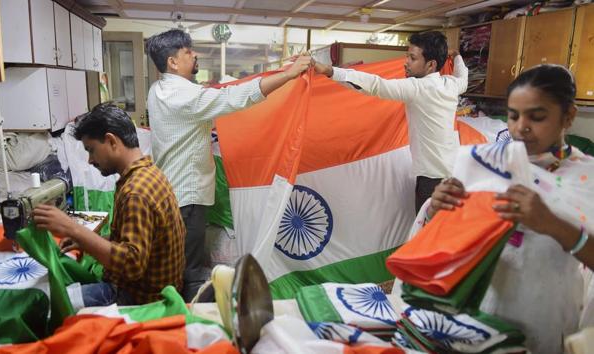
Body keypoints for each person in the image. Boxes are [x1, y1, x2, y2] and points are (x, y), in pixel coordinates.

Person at [426, 65, 594, 353]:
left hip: (545, 315)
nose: (520, 127)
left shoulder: (586, 177)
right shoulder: (487, 164)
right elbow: (449, 239)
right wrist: (438, 210)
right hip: (478, 307)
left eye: (536, 117)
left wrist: (551, 224)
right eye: (513, 116)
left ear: (568, 116)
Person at [145, 29, 311, 301]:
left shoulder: (159, 89)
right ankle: (193, 324)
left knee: (180, 265)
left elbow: (221, 96)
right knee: (191, 269)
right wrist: (289, 75)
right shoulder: (184, 96)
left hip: (172, 193)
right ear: (173, 62)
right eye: (188, 51)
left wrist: (283, 70)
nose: (194, 54)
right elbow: (235, 97)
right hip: (186, 199)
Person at [33, 103, 186, 306]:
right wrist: (86, 242)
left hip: (138, 299)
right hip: (155, 290)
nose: (89, 160)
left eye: (92, 150)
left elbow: (132, 265)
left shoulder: (136, 193)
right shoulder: (149, 173)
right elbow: (134, 239)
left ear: (111, 141)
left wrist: (74, 229)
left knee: (51, 304)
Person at [312, 31, 468, 213]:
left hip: (432, 181)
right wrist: (457, 56)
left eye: (413, 58)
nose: (406, 62)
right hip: (454, 173)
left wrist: (329, 71)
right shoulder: (450, 84)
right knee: (441, 232)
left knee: (429, 235)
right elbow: (463, 77)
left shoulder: (417, 88)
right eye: (407, 56)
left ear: (431, 64)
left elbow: (376, 85)